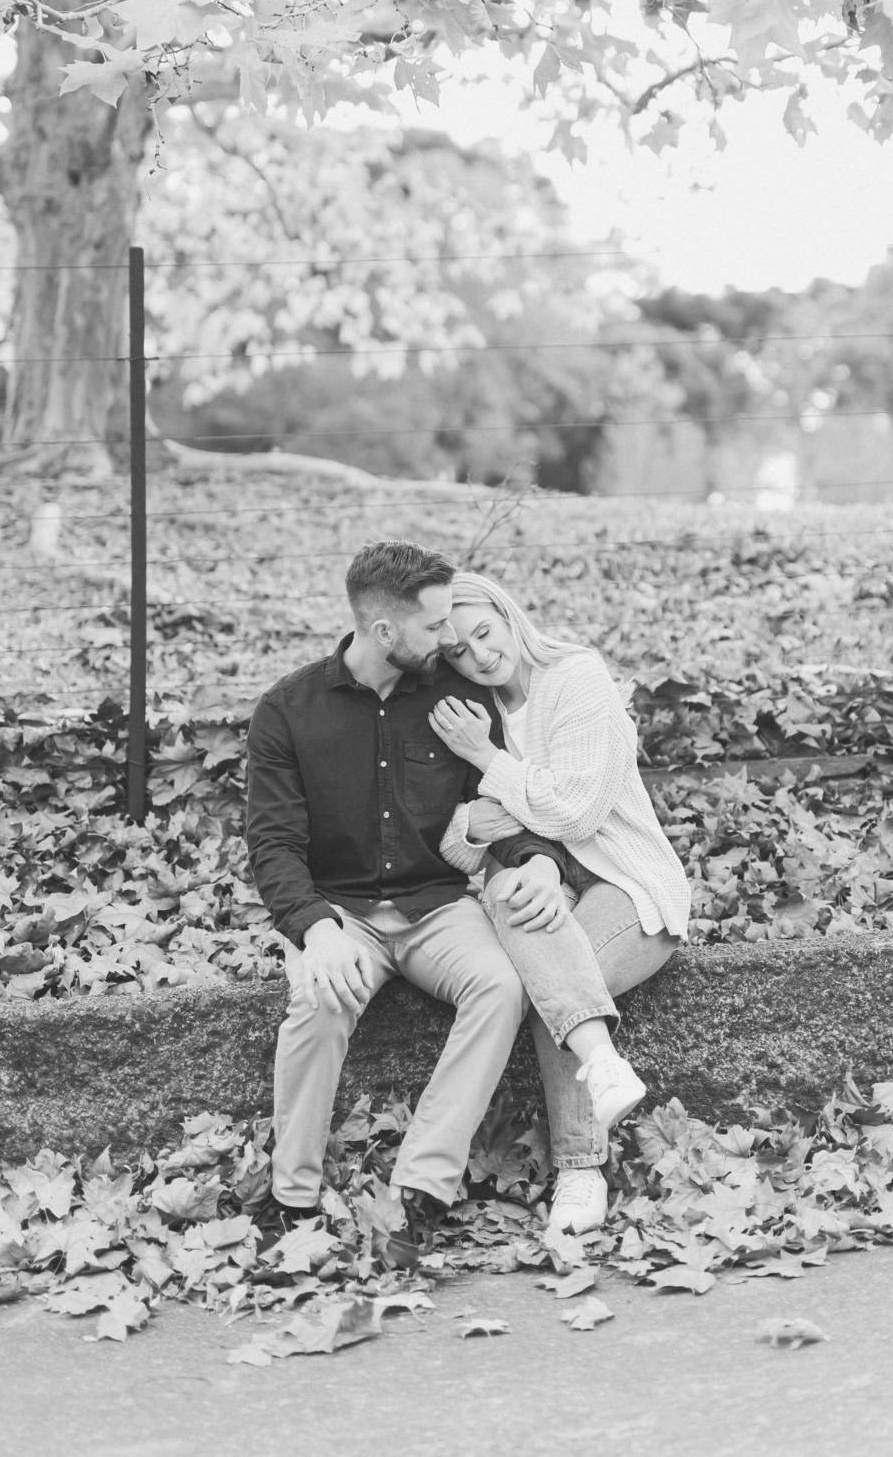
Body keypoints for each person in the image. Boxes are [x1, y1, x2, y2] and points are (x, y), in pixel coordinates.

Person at [245, 540, 567, 1269]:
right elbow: (273, 846)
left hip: (437, 908)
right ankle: (291, 1200)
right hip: (341, 912)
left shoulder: (459, 701)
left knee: (501, 984)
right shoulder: (288, 711)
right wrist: (314, 929)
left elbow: (495, 809)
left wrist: (540, 863)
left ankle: (420, 1190)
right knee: (319, 999)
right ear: (384, 630)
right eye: (434, 624)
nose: (449, 637)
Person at [429, 571, 692, 1236]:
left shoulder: (576, 678)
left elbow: (576, 813)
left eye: (484, 632)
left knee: (559, 985)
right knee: (512, 899)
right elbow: (452, 839)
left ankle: (581, 1169)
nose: (480, 655)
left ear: (508, 615)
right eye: (458, 650)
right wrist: (500, 833)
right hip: (539, 880)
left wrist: (487, 761)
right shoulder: (470, 708)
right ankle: (602, 1064)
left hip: (625, 880)